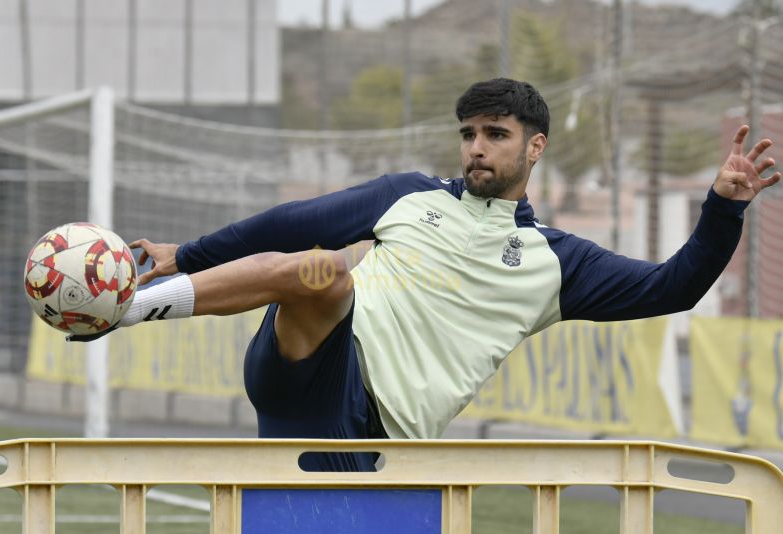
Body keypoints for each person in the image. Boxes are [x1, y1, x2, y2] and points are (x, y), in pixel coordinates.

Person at [72, 78, 780, 472]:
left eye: (495, 135)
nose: (476, 148)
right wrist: (184, 254)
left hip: (370, 432)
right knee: (324, 270)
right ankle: (125, 310)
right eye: (469, 132)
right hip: (313, 359)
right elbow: (292, 222)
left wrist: (721, 208)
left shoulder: (558, 263)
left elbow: (674, 288)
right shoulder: (408, 195)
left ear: (534, 148)